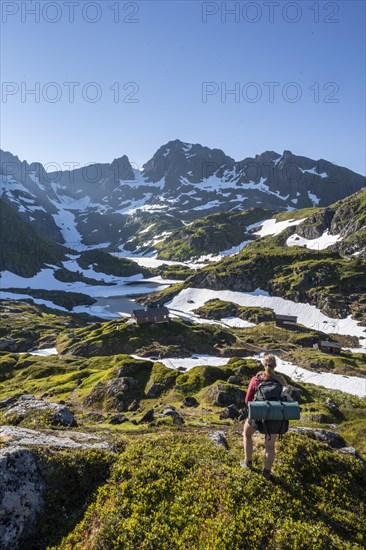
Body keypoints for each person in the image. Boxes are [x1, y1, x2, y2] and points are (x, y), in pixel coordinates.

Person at [241, 354, 292, 479]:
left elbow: (247, 400)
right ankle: (267, 472)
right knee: (270, 447)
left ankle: (248, 462)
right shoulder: (281, 381)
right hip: (274, 417)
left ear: (264, 365)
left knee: (247, 434)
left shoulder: (256, 379)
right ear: (275, 366)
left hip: (258, 416)